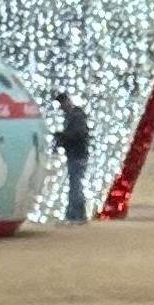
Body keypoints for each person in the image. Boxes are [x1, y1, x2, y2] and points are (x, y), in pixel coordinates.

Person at [53, 90, 93, 223]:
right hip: (76, 154)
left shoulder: (75, 116)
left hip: (77, 154)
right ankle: (75, 214)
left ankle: (76, 215)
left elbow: (77, 135)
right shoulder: (73, 116)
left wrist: (62, 137)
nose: (61, 108)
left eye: (62, 104)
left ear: (66, 102)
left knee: (75, 185)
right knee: (75, 184)